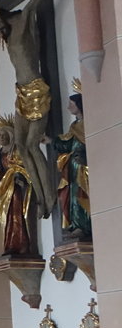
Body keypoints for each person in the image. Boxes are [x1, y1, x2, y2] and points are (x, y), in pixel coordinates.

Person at [0, 0, 62, 220]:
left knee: (32, 144)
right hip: (21, 94)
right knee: (22, 146)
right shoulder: (8, 36)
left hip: (37, 90)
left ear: (1, 18)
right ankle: (40, 197)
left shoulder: (24, 22)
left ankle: (48, 197)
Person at [0, 115, 36, 257]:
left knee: (18, 215)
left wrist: (19, 176)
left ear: (10, 136)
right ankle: (10, 245)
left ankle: (22, 244)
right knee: (6, 218)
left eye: (3, 135)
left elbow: (25, 167)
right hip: (6, 190)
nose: (1, 139)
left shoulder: (17, 150)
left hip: (17, 189)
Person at [51, 83, 90, 240]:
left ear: (79, 105)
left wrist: (85, 158)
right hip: (73, 167)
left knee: (82, 195)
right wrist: (50, 141)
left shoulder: (90, 124)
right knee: (72, 196)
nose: (68, 107)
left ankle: (84, 226)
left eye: (71, 104)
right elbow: (67, 143)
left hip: (83, 166)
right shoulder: (75, 126)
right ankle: (76, 225)